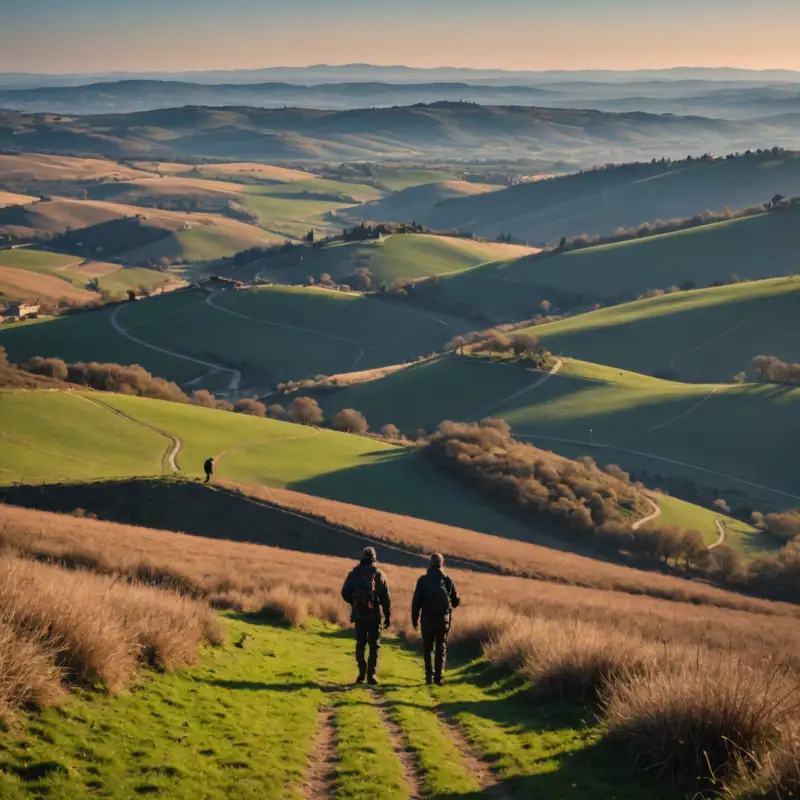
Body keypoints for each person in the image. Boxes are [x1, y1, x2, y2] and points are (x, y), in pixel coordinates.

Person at [341, 546, 391, 685]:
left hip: (360, 614)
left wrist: (354, 602)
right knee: (374, 646)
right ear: (374, 558)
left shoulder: (354, 573)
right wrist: (387, 615)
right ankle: (371, 676)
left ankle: (361, 674)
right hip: (374, 615)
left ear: (362, 557)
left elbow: (344, 592)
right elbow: (386, 597)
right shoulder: (379, 574)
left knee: (360, 644)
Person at [411, 553, 460, 686]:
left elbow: (416, 602)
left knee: (428, 648)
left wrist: (414, 619)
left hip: (427, 619)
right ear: (442, 564)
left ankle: (428, 676)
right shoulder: (448, 580)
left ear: (430, 563)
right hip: (443, 620)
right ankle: (438, 677)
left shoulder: (423, 580)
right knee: (441, 647)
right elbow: (456, 601)